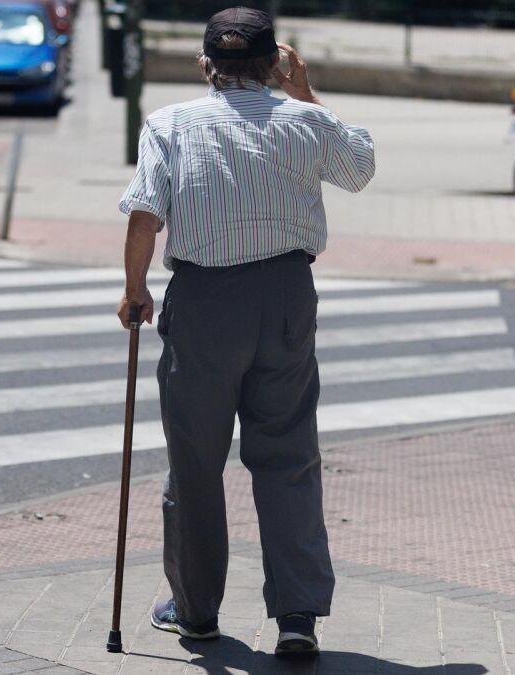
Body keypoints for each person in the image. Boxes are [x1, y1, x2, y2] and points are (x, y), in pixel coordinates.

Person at [115, 5, 375, 657]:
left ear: (205, 65)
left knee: (196, 460)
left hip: (204, 301)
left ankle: (196, 610)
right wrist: (304, 91)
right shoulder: (305, 120)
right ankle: (296, 614)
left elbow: (144, 213)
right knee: (287, 455)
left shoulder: (170, 124)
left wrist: (135, 288)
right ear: (274, 63)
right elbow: (359, 168)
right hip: (285, 295)